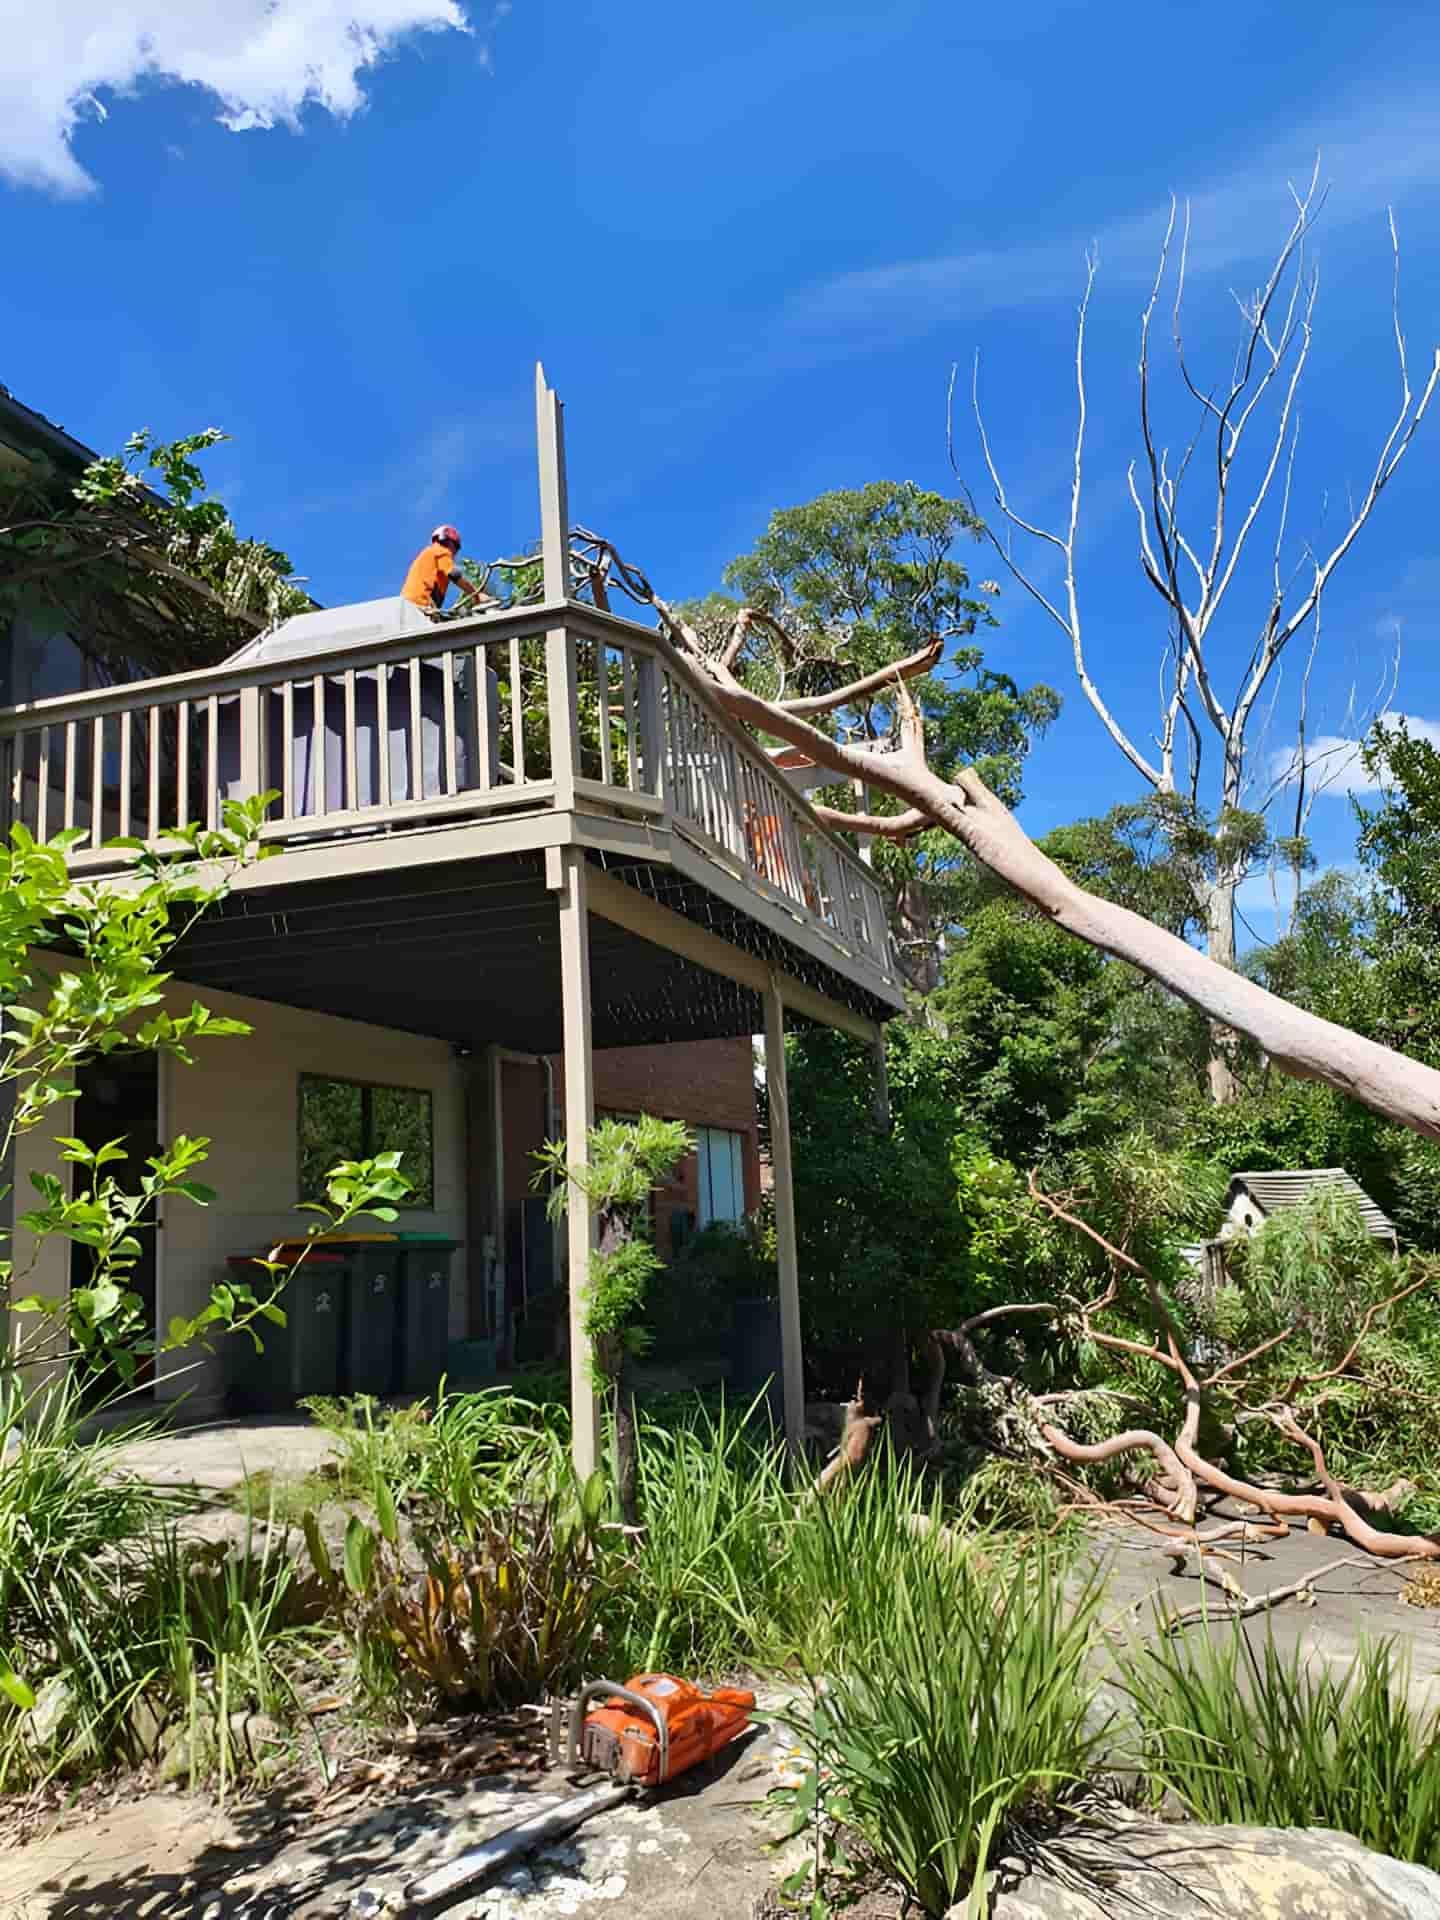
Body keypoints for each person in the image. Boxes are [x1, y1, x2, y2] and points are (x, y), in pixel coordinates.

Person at [401, 525, 491, 616]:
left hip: (408, 604)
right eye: (456, 548)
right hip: (421, 604)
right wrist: (477, 595)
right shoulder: (441, 551)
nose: (455, 554)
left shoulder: (429, 553)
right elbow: (454, 575)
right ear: (451, 543)